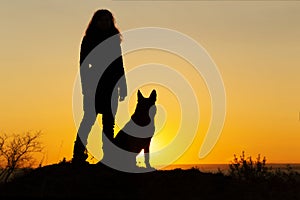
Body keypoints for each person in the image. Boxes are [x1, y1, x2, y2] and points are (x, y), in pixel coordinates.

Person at [72, 9, 127, 165]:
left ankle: (109, 157)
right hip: (94, 85)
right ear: (96, 22)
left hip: (111, 84)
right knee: (89, 119)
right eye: (102, 20)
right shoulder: (88, 39)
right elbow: (83, 65)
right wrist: (86, 87)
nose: (105, 23)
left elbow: (119, 63)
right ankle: (78, 155)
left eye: (108, 20)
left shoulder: (114, 39)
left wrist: (123, 86)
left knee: (109, 122)